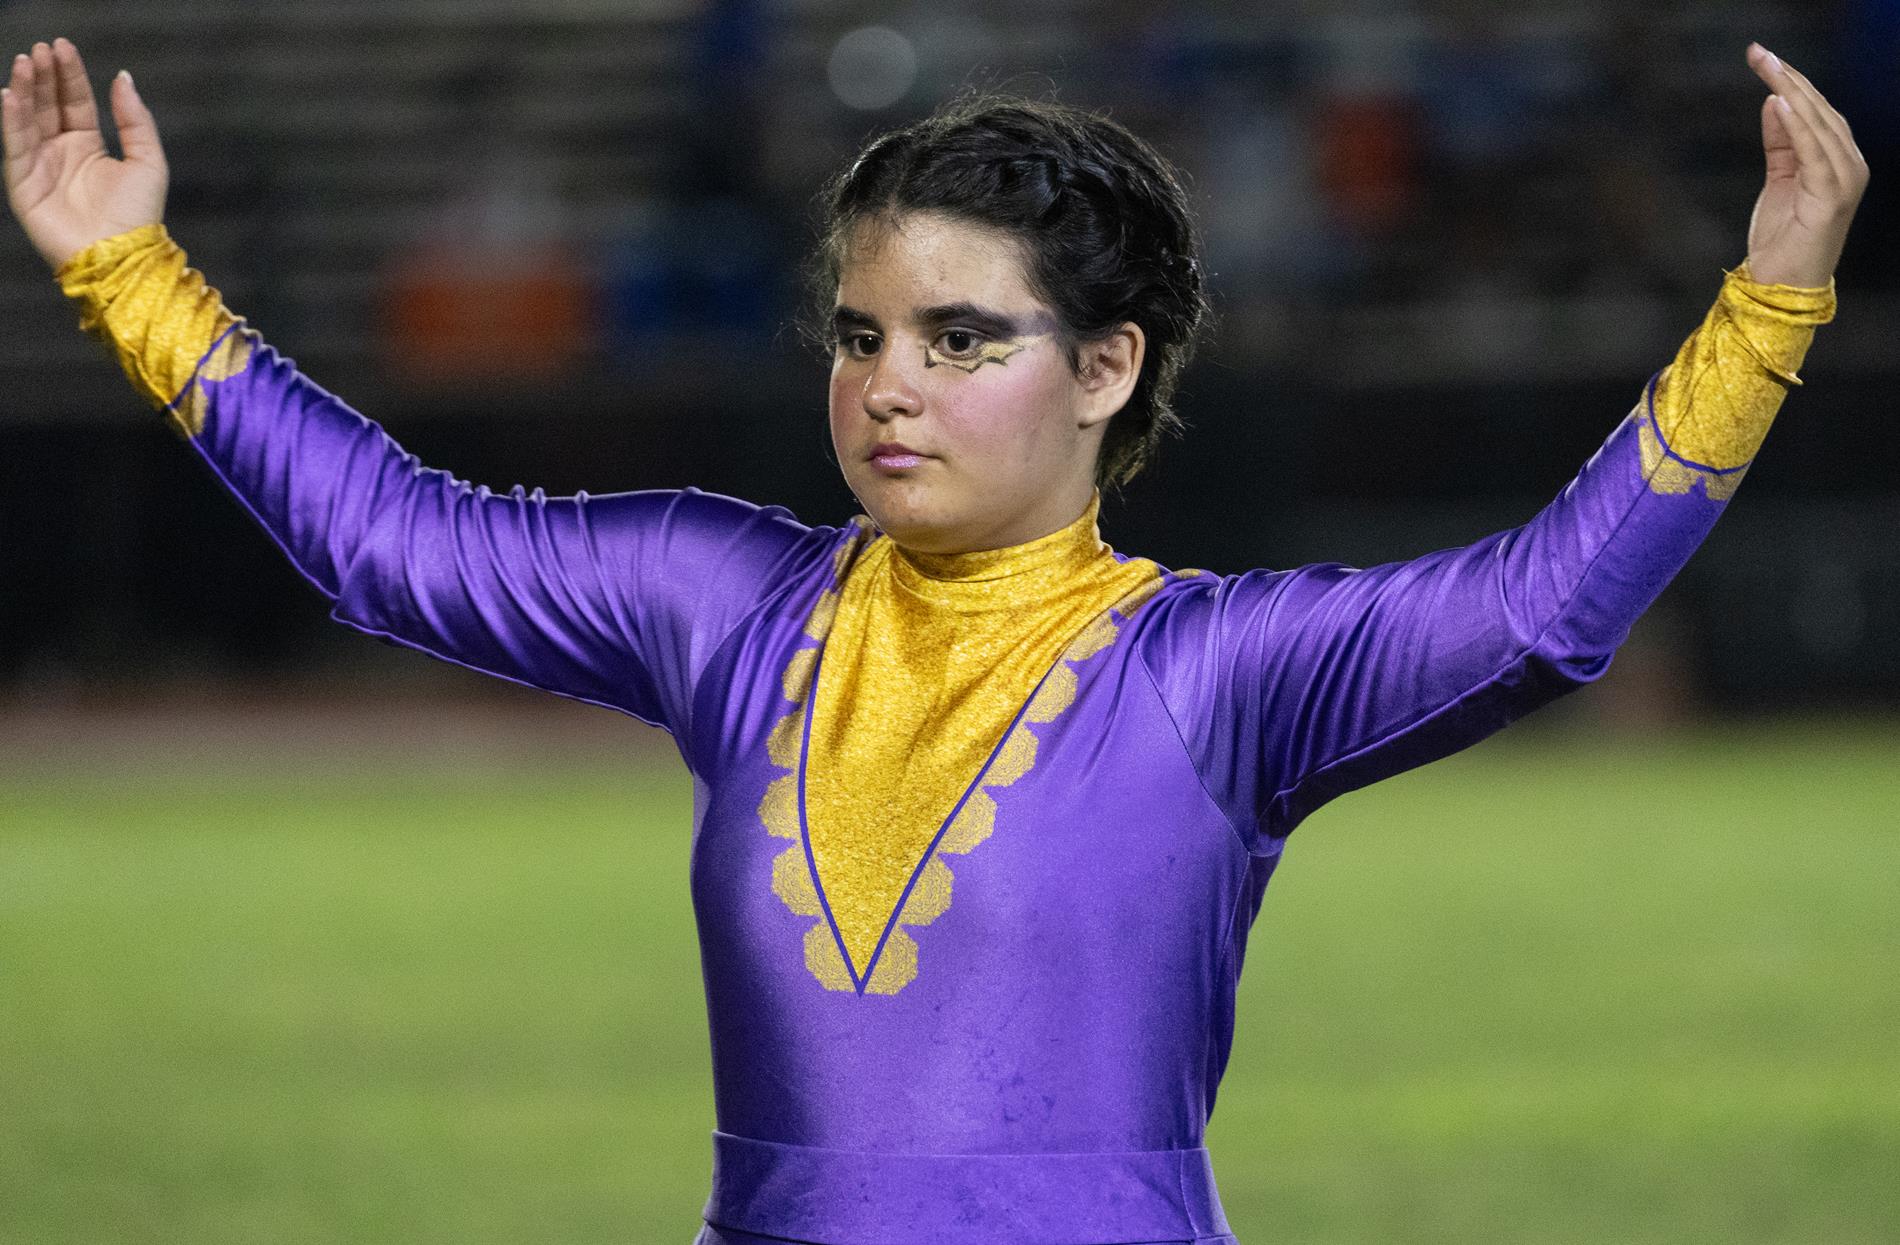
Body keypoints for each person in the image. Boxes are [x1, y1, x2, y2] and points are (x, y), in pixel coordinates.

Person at [2, 35, 1867, 1245]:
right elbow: (389, 542)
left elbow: (1545, 608)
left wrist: (1771, 300)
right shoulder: (728, 608)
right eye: (861, 333)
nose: (891, 385)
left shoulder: (1216, 674)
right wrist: (128, 267)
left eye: (963, 339)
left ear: (1108, 367)